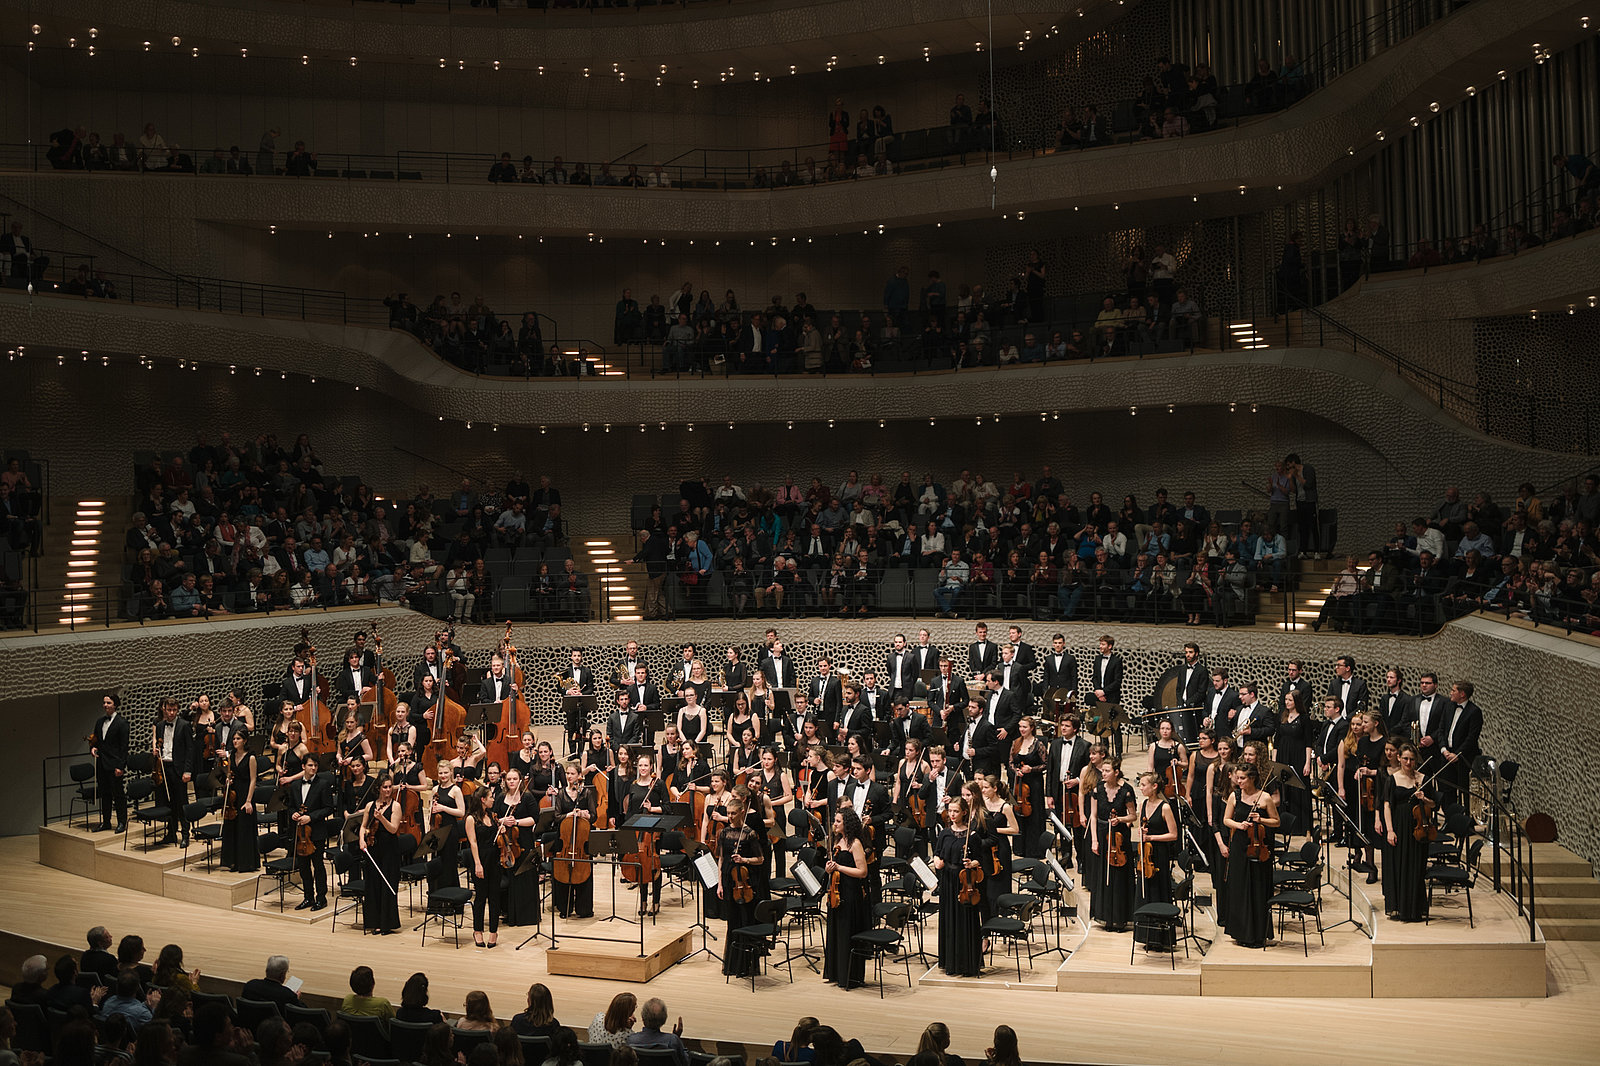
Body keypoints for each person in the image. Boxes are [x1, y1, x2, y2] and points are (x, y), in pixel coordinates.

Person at [1221, 763, 1280, 947]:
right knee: (1240, 889)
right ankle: (1241, 933)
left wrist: (1260, 819)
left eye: (1242, 778)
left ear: (1252, 778)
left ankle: (1257, 934)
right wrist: (1239, 825)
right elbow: (1226, 819)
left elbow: (1276, 822)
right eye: (1237, 778)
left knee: (1257, 889)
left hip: (1258, 847)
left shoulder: (1265, 797)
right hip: (1239, 846)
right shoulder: (1234, 796)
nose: (1239, 781)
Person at [1383, 742, 1438, 922]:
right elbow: (1387, 805)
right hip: (1398, 826)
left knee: (1416, 868)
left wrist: (1425, 798)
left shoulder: (1424, 779)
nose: (1408, 762)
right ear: (1399, 758)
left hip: (1418, 829)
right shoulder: (1392, 779)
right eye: (1405, 758)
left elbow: (1434, 805)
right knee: (1399, 866)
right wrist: (1390, 830)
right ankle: (1400, 908)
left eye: (1412, 759)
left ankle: (1415, 910)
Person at [932, 794, 985, 976]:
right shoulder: (945, 833)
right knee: (949, 919)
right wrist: (937, 861)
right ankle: (950, 963)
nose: (952, 814)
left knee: (965, 920)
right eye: (950, 811)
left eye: (956, 811)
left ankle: (966, 963)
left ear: (964, 812)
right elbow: (937, 854)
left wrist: (972, 863)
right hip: (947, 880)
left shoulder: (972, 836)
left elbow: (981, 860)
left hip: (964, 882)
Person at [821, 807, 870, 989]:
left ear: (846, 823)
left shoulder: (855, 843)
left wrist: (839, 867)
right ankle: (836, 973)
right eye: (835, 820)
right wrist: (829, 868)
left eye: (838, 821)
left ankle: (850, 976)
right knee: (836, 934)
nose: (834, 824)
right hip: (837, 892)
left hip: (850, 894)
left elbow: (862, 872)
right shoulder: (838, 840)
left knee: (847, 935)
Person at [1133, 771, 1180, 951]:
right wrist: (1143, 834)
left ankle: (1161, 938)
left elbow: (1174, 835)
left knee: (1158, 891)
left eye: (1144, 784)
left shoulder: (1165, 807)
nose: (1141, 787)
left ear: (1154, 787)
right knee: (1145, 894)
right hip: (1146, 854)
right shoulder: (1144, 804)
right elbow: (1142, 828)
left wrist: (1152, 837)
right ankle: (1146, 936)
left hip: (1159, 855)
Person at [1088, 758, 1135, 931]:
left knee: (1120, 877)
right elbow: (1093, 816)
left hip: (1120, 837)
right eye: (1103, 770)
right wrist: (1094, 839)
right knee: (1103, 876)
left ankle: (1121, 917)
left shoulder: (1127, 791)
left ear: (1116, 772)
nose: (1103, 773)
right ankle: (1105, 916)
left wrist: (1120, 819)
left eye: (1107, 771)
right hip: (1101, 833)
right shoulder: (1097, 789)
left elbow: (1133, 816)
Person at [358, 775, 403, 935]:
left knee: (387, 886)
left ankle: (386, 924)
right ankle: (374, 922)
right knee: (373, 885)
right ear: (378, 788)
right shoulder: (370, 805)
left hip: (389, 851)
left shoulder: (396, 806)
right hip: (372, 848)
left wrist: (381, 818)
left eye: (390, 787)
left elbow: (393, 829)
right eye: (385, 787)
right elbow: (363, 826)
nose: (388, 790)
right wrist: (361, 840)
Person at [461, 789, 502, 947]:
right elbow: (473, 842)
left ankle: (493, 931)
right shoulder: (471, 819)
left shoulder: (492, 816)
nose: (493, 799)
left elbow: (494, 838)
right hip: (480, 859)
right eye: (491, 797)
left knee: (494, 897)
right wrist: (477, 864)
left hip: (494, 859)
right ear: (483, 799)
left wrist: (501, 832)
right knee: (480, 897)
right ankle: (477, 930)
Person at [219, 728, 259, 873]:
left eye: (238, 739)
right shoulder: (231, 756)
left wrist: (248, 801)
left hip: (245, 794)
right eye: (234, 739)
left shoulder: (251, 757)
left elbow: (253, 780)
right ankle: (233, 862)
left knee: (244, 829)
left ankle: (246, 863)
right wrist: (228, 780)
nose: (235, 741)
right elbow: (230, 773)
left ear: (245, 741)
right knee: (233, 828)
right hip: (234, 795)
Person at [92, 693, 130, 832]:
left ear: (115, 705)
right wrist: (93, 748)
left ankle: (121, 822)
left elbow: (124, 747)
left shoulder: (122, 723)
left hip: (115, 765)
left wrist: (121, 766)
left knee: (118, 795)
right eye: (104, 703)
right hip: (102, 763)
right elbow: (96, 739)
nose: (105, 705)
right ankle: (106, 822)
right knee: (105, 794)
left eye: (108, 703)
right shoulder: (99, 722)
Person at [626, 999, 686, 1066]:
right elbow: (686, 1062)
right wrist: (678, 1039)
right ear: (664, 1019)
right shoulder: (672, 1040)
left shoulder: (631, 1040)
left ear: (643, 1017)